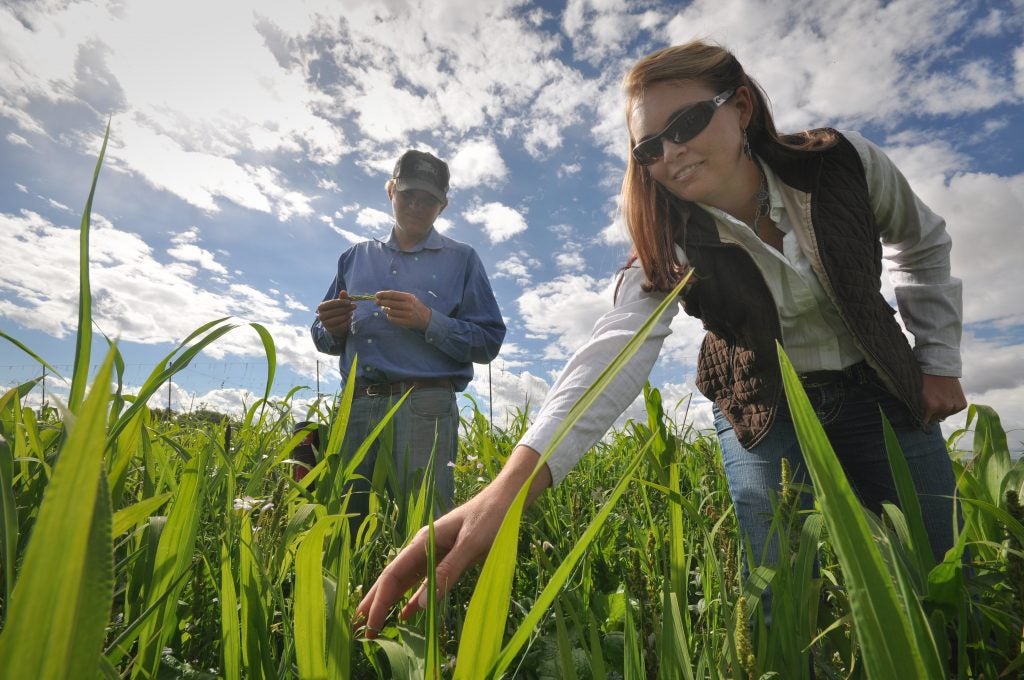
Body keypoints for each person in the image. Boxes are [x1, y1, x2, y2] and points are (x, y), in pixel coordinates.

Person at [354, 41, 966, 633]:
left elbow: (922, 239)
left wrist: (938, 360)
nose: (670, 152)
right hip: (761, 406)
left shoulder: (841, 165)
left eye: (689, 122)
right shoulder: (666, 236)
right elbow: (615, 348)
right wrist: (506, 493)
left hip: (878, 385)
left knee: (940, 573)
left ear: (742, 107)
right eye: (648, 146)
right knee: (779, 595)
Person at [311, 149, 506, 527]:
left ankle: (429, 589)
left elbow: (488, 342)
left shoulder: (462, 259)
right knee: (344, 524)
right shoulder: (354, 257)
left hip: (426, 406)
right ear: (390, 192)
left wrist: (427, 320)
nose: (417, 205)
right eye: (408, 194)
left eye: (429, 199)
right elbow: (323, 335)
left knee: (425, 529)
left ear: (443, 205)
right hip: (358, 407)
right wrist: (330, 329)